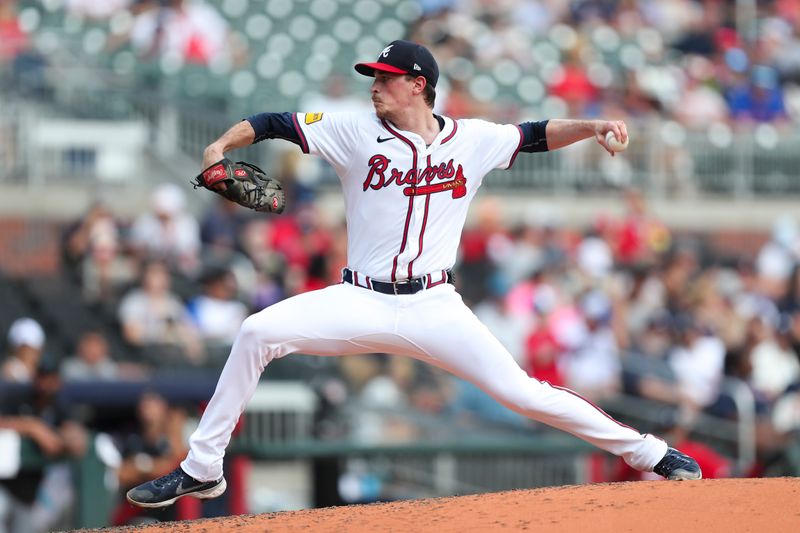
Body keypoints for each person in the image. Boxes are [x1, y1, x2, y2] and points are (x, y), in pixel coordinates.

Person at [127, 39, 701, 508]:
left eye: (385, 77)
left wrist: (594, 123)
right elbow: (275, 121)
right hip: (360, 299)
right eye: (373, 76)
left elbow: (534, 134)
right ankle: (203, 468)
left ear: (418, 84)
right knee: (256, 332)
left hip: (434, 306)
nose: (374, 85)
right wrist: (221, 143)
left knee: (522, 393)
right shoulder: (353, 130)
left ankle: (651, 453)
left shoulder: (472, 139)